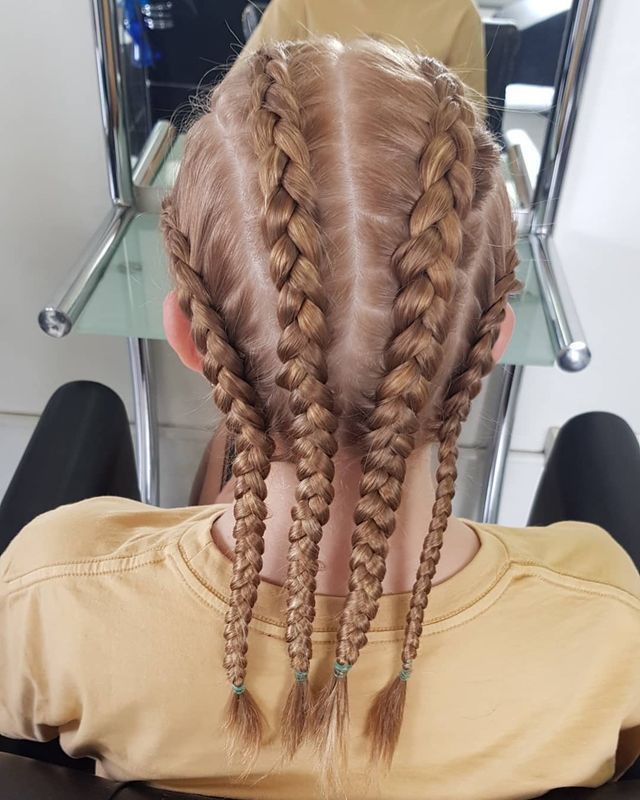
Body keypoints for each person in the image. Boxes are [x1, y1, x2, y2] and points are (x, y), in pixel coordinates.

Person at [1, 38, 639, 800]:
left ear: (187, 338)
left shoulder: (52, 595)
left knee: (82, 409)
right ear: (492, 342)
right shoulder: (605, 623)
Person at [242, 0, 486, 99]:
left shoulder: (458, 11)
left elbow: (470, 125)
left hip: (421, 183)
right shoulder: (298, 4)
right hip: (306, 174)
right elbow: (237, 95)